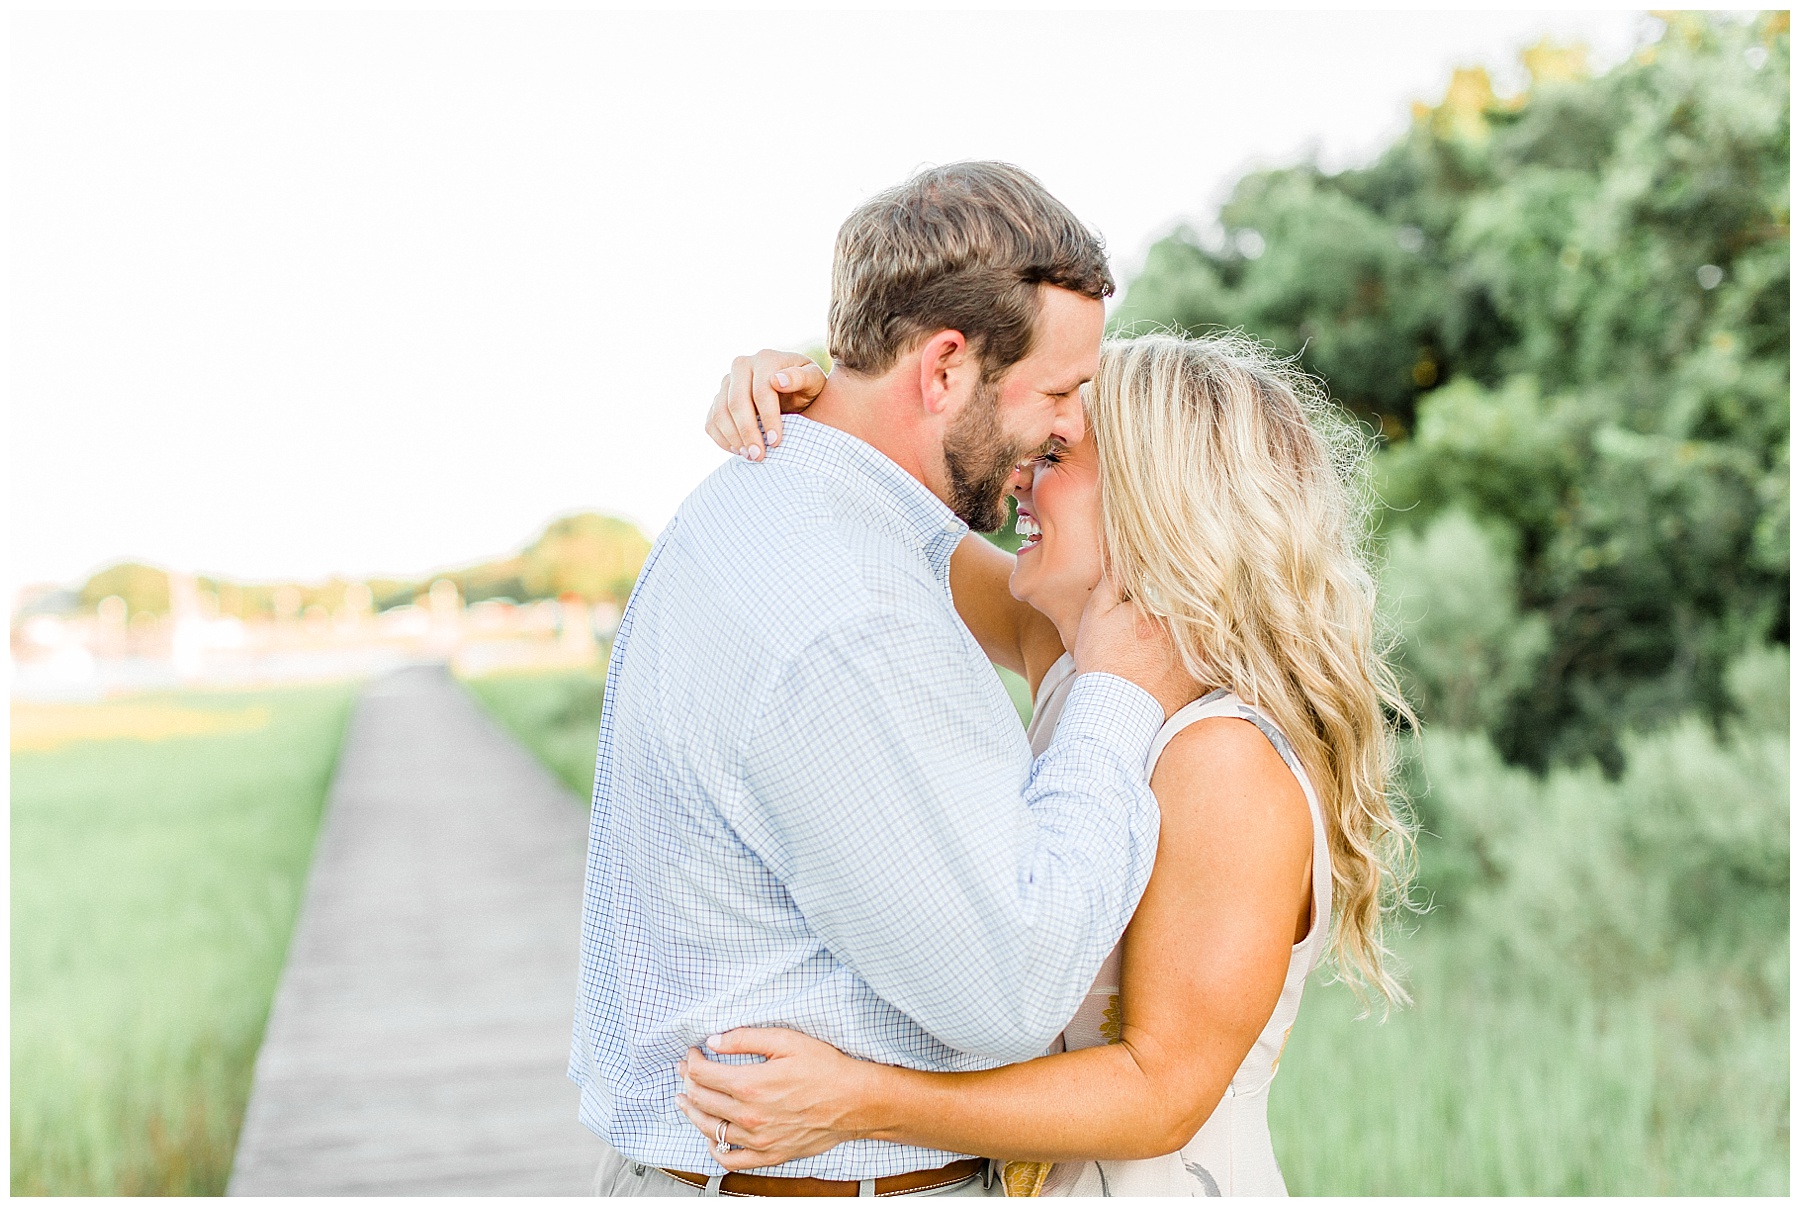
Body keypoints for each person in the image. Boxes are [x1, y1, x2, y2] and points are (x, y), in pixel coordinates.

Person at [572, 162, 1196, 1199]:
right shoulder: (854, 614)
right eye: (1059, 390)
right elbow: (1013, 986)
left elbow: (1014, 601)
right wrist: (1119, 699)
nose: (1072, 428)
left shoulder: (772, 506)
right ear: (946, 369)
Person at [678, 332, 1415, 1195]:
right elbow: (880, 515)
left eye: (1059, 453)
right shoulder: (1068, 655)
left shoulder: (1225, 760)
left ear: (1158, 496)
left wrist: (858, 1100)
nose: (1020, 471)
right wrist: (808, 410)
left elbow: (1159, 1093)